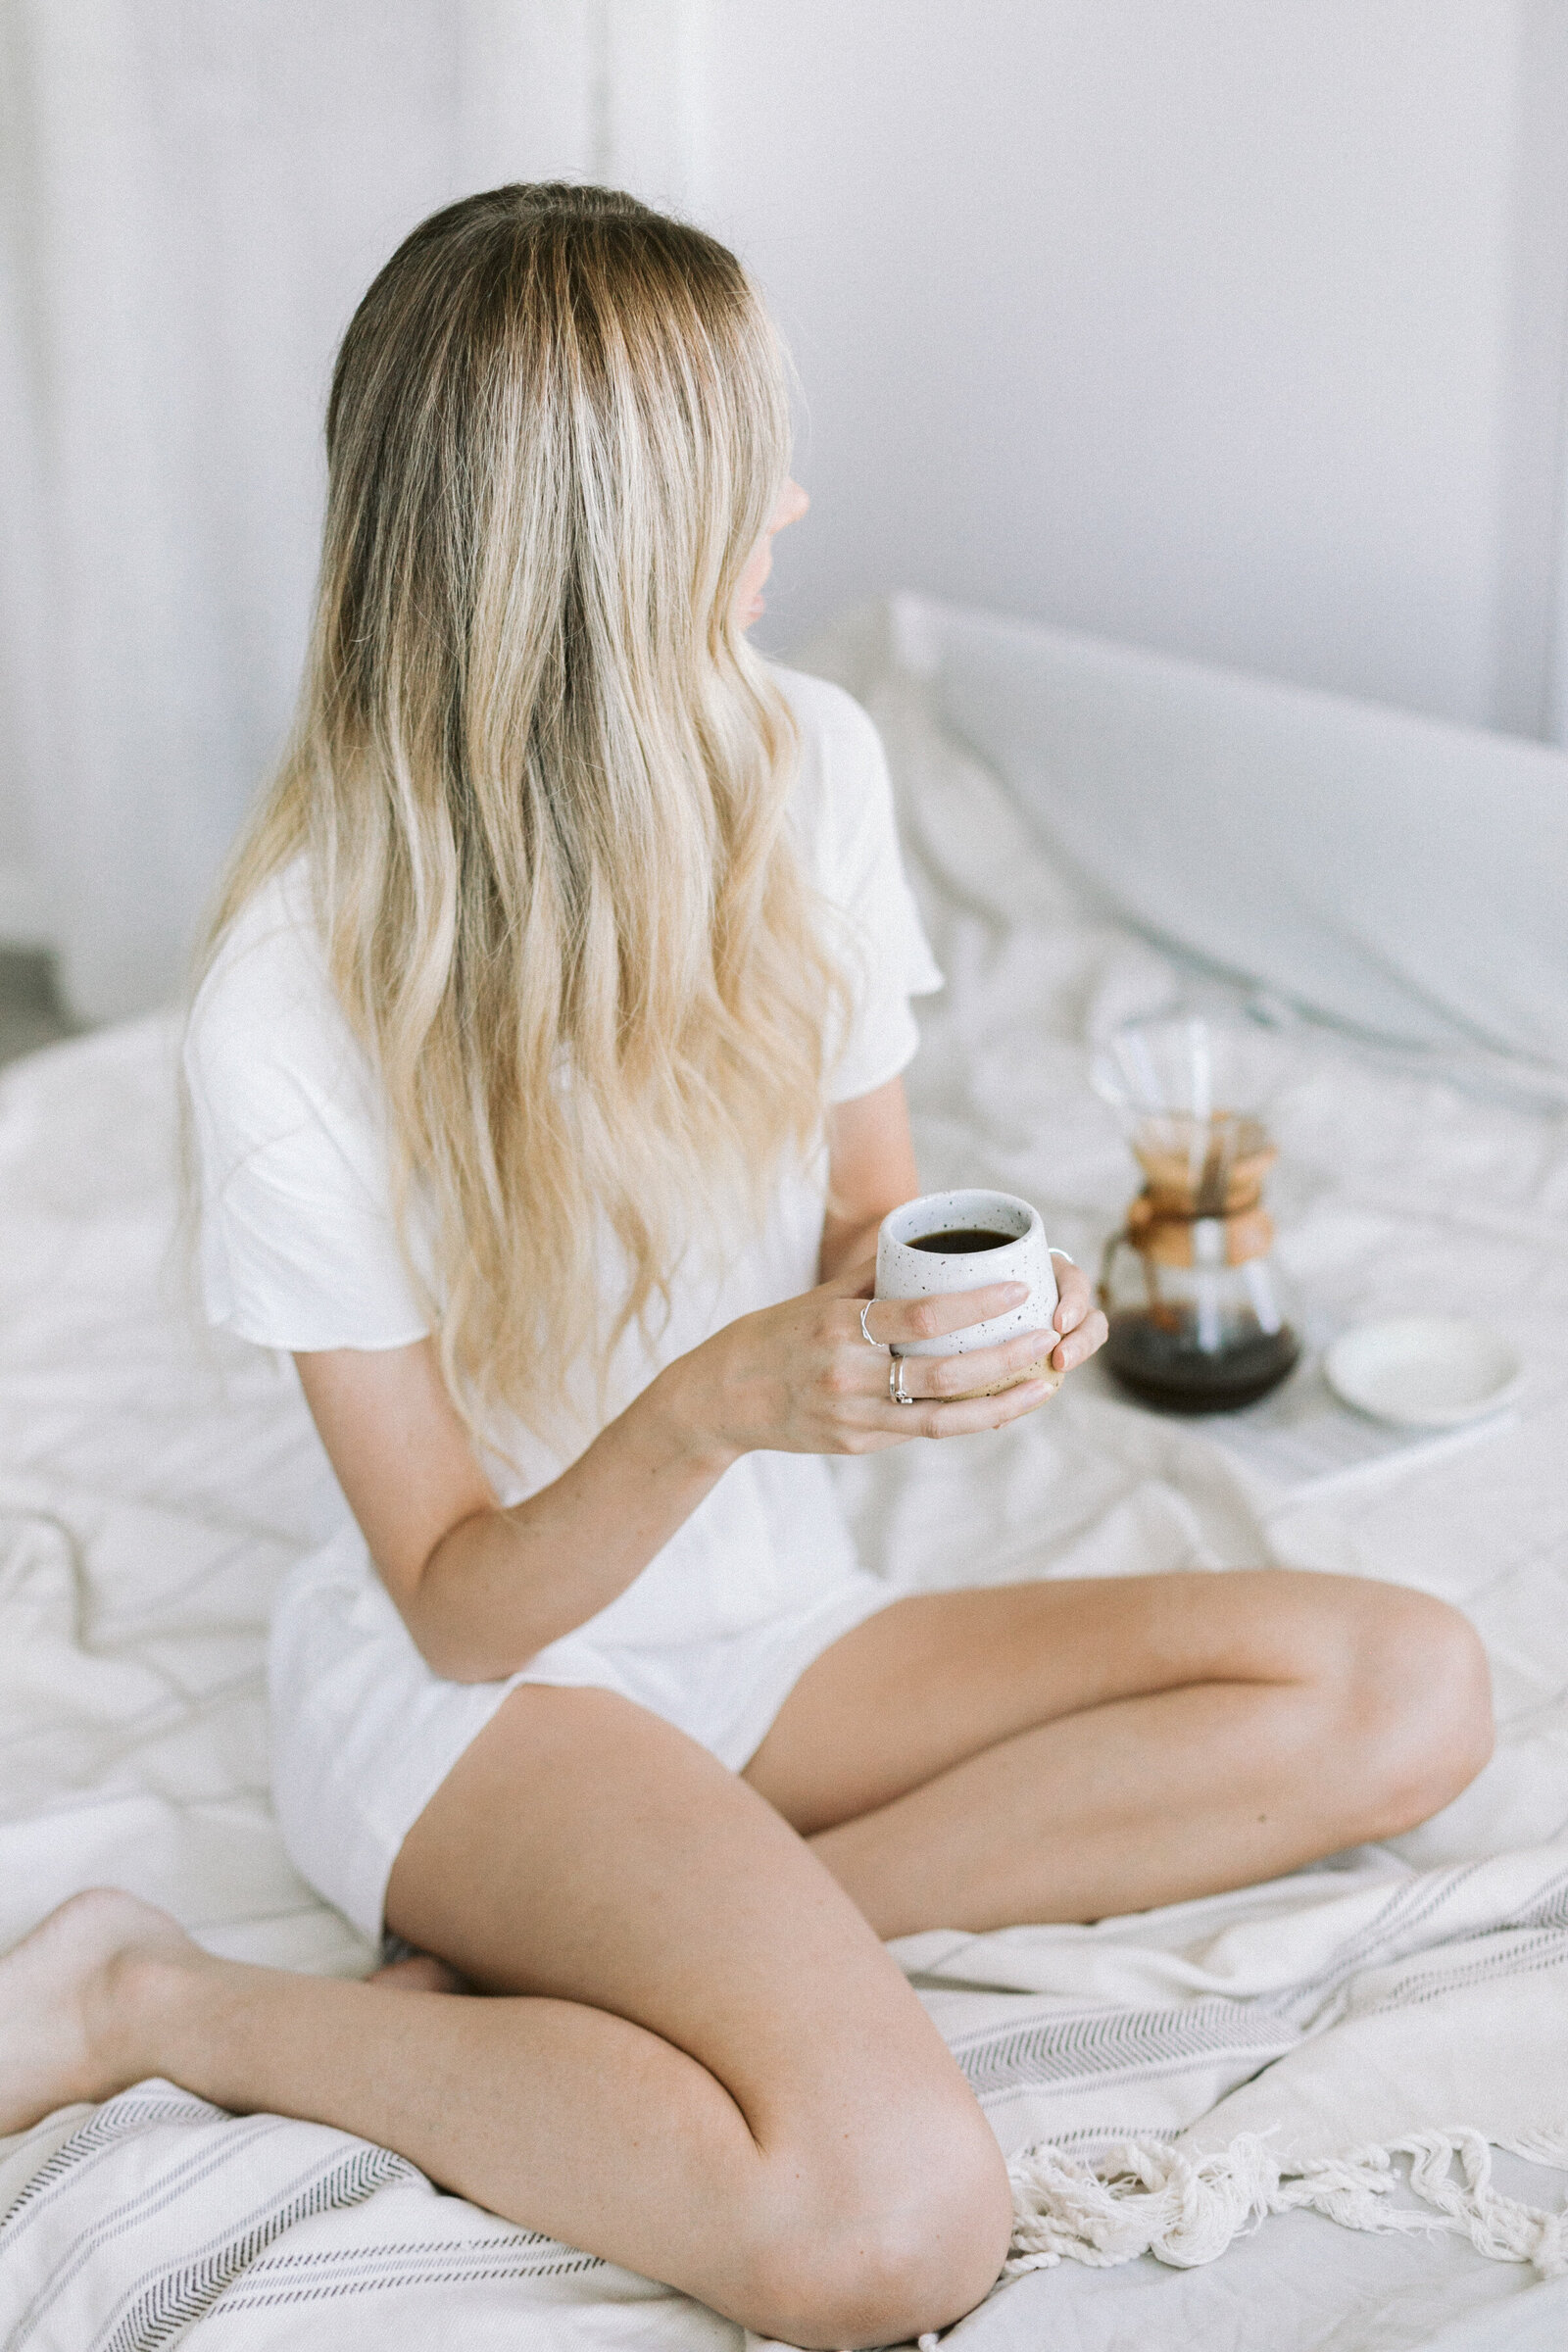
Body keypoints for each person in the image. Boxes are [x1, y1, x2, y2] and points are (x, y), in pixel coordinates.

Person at [0, 186, 1493, 2349]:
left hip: (775, 1632)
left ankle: (692, 1937)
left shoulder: (809, 765)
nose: (793, 501)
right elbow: (457, 1600)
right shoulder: (295, 991)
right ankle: (156, 1998)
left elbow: (861, 1217)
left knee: (1405, 1684)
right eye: (742, 466)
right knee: (884, 2230)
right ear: (599, 538)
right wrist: (718, 1401)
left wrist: (961, 1309)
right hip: (486, 1694)